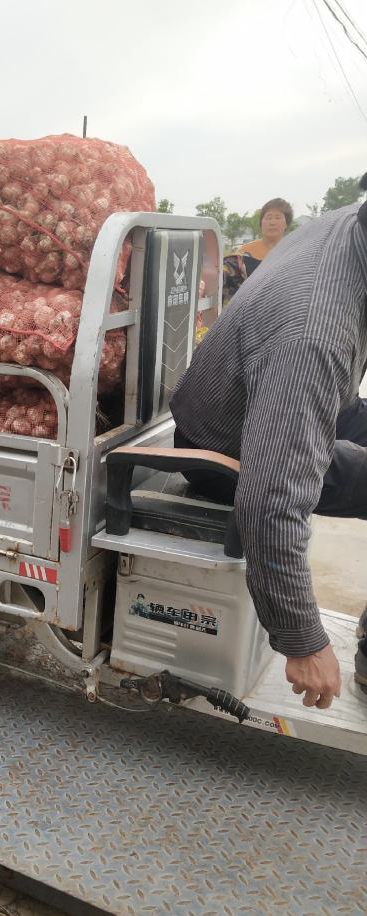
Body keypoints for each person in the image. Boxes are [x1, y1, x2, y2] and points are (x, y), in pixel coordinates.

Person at [171, 178, 367, 710]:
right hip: (224, 446)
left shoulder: (350, 223)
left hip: (254, 396)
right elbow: (269, 498)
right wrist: (303, 640)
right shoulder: (313, 335)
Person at [222, 198, 293, 306]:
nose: (272, 222)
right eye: (268, 217)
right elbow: (220, 279)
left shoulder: (295, 253)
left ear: (286, 223)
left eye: (278, 217)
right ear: (261, 223)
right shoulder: (242, 254)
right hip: (247, 314)